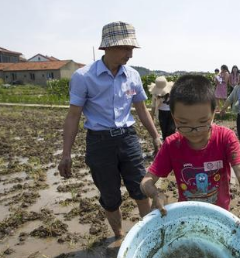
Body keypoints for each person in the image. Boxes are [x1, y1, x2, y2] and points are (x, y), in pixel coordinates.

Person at [57, 21, 162, 239]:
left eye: (131, 49)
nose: (130, 54)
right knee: (110, 196)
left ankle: (148, 237)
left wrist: (155, 136)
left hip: (128, 139)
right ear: (108, 47)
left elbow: (142, 110)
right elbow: (73, 116)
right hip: (99, 142)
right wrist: (66, 154)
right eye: (126, 48)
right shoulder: (84, 77)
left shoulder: (133, 75)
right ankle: (119, 237)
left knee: (141, 188)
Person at [140, 75, 240, 243]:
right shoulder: (171, 145)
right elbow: (146, 181)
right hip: (188, 213)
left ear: (213, 113)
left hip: (220, 213)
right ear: (173, 117)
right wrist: (156, 194)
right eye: (183, 122)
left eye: (203, 122)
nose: (194, 130)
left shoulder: (225, 138)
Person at [150, 76, 175, 141]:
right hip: (161, 113)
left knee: (171, 129)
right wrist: (151, 116)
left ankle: (171, 144)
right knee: (164, 129)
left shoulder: (172, 92)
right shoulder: (155, 94)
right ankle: (166, 143)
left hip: (171, 112)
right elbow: (153, 105)